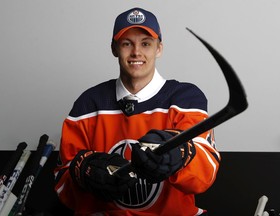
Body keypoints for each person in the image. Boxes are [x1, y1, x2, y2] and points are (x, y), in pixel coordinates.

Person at [54, 7, 220, 216]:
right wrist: (83, 171)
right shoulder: (88, 104)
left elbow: (206, 173)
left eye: (146, 44)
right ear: (114, 49)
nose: (136, 52)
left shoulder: (186, 98)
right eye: (126, 44)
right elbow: (62, 184)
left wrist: (180, 154)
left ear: (159, 48)